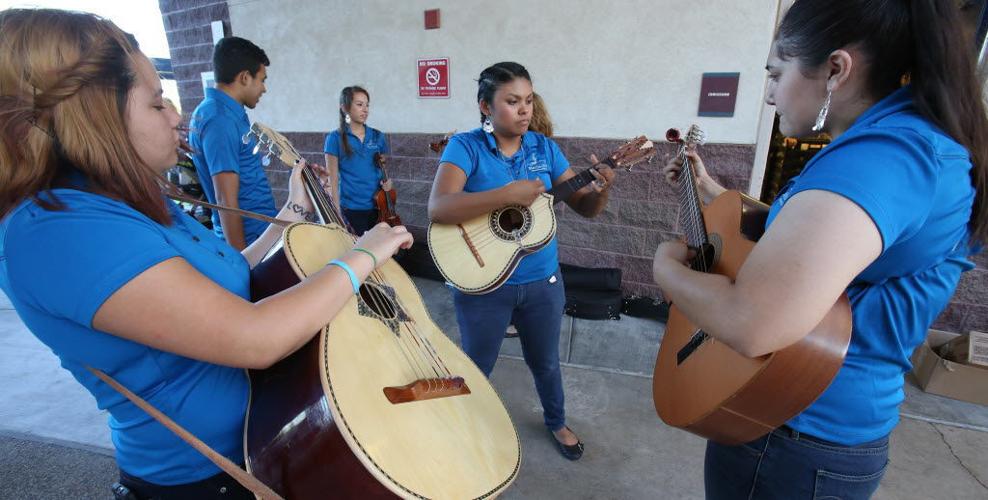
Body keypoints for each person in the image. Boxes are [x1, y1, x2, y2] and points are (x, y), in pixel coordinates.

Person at [0, 9, 413, 499]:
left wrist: (294, 210)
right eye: (157, 105)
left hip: (263, 436)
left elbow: (235, 273)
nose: (177, 117)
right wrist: (364, 253)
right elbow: (254, 337)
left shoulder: (123, 199)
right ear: (92, 116)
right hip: (202, 477)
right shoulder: (57, 229)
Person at [653, 1, 987, 498]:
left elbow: (753, 323)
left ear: (836, 68)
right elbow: (816, 243)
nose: (769, 95)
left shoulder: (885, 158)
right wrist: (713, 192)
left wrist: (665, 269)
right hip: (802, 421)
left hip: (795, 434)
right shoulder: (906, 145)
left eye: (776, 73)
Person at [427, 62, 615, 461]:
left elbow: (586, 208)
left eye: (528, 100)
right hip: (483, 282)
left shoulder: (544, 148)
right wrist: (507, 195)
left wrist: (601, 190)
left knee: (546, 362)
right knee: (477, 364)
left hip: (542, 279)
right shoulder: (466, 146)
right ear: (485, 107)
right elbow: (440, 207)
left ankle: (556, 421)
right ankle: (464, 428)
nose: (524, 110)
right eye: (512, 102)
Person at [188, 36, 276, 250]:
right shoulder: (220, 119)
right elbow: (225, 200)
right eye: (262, 80)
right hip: (250, 241)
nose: (264, 89)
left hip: (261, 231)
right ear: (245, 77)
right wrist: (242, 262)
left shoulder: (229, 113)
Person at [324, 86, 393, 235]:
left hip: (378, 207)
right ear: (345, 108)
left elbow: (382, 169)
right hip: (351, 209)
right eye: (359, 104)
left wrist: (388, 183)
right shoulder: (334, 139)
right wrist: (336, 212)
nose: (365, 109)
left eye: (367, 105)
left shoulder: (377, 136)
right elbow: (332, 179)